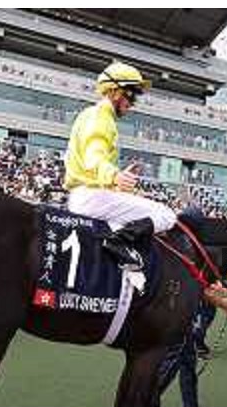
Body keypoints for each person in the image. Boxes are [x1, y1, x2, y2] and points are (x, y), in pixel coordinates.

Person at [64, 61, 176, 270]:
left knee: (131, 223)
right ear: (115, 91)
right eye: (132, 94)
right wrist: (114, 176)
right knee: (167, 215)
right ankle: (117, 243)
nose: (133, 102)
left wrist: (115, 182)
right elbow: (93, 156)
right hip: (90, 198)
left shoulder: (94, 116)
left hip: (86, 196)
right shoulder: (101, 117)